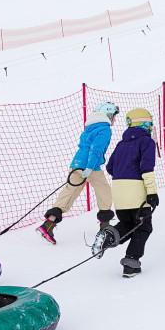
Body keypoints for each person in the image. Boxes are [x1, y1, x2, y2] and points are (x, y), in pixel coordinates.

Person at [38, 101, 118, 244]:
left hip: (76, 164)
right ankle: (105, 225)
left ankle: (49, 224)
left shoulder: (90, 128)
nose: (114, 119)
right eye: (113, 116)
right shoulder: (104, 129)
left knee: (69, 193)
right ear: (108, 115)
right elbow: (96, 149)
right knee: (104, 192)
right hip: (91, 166)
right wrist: (90, 167)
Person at [105, 107, 159, 278]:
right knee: (144, 227)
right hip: (137, 192)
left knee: (128, 224)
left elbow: (110, 167)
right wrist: (151, 193)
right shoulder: (147, 142)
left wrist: (124, 176)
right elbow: (147, 169)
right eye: (150, 123)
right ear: (144, 124)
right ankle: (131, 262)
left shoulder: (121, 144)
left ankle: (108, 236)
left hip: (119, 192)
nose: (151, 127)